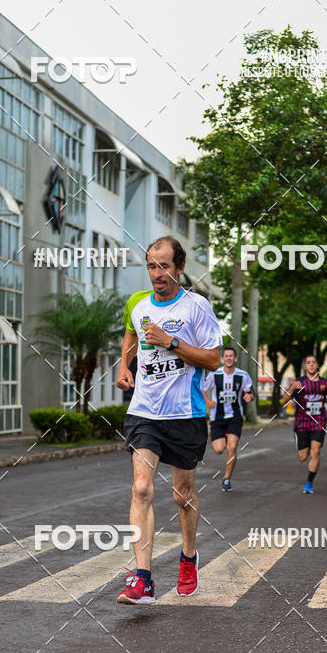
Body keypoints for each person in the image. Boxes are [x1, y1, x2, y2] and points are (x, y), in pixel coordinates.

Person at [114, 236, 222, 604]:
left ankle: (188, 557)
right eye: (151, 266)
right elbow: (131, 333)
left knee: (182, 495)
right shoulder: (138, 304)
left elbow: (213, 359)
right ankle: (143, 579)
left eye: (164, 266)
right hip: (144, 412)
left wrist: (171, 342)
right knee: (141, 488)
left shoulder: (197, 307)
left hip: (185, 414)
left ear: (179, 267)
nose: (157, 273)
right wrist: (124, 365)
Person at [283, 355, 327, 494]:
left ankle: (309, 483)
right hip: (302, 423)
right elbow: (284, 401)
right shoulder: (299, 383)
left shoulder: (325, 383)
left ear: (318, 365)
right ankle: (306, 446)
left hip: (318, 422)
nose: (311, 365)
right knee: (303, 457)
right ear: (305, 366)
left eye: (314, 362)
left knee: (316, 451)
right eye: (308, 363)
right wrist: (291, 389)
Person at [202, 346, 254, 491]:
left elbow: (251, 392)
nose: (229, 358)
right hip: (217, 417)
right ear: (222, 359)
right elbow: (203, 389)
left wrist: (250, 397)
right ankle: (225, 437)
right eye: (226, 356)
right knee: (219, 449)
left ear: (235, 359)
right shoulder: (215, 374)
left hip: (235, 416)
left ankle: (226, 479)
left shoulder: (242, 375)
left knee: (232, 447)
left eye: (231, 356)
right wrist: (208, 402)